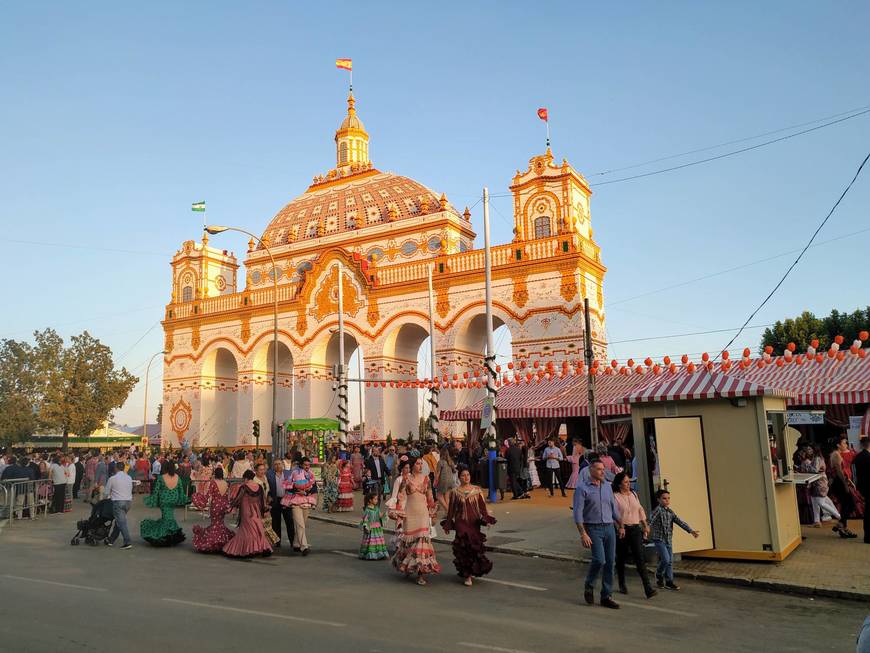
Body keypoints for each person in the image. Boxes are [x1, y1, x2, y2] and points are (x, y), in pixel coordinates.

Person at [573, 460, 622, 609]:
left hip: (609, 528)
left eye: (603, 469)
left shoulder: (607, 487)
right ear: (591, 470)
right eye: (599, 469)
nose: (602, 472)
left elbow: (613, 507)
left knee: (610, 561)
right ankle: (589, 584)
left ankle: (606, 595)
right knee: (600, 560)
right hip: (593, 528)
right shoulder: (582, 488)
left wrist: (621, 524)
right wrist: (583, 534)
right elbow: (578, 512)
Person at [441, 466, 497, 586]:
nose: (466, 477)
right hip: (461, 523)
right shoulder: (455, 492)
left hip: (474, 523)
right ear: (459, 477)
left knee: (474, 548)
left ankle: (473, 571)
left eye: (468, 475)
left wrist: (486, 520)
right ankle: (467, 575)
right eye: (463, 475)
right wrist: (448, 524)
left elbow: (482, 508)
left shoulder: (477, 490)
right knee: (463, 547)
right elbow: (451, 510)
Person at [392, 457, 441, 585]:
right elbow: (401, 497)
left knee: (422, 543)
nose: (420, 466)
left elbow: (430, 497)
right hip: (410, 514)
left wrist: (433, 513)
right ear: (412, 465)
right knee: (409, 543)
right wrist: (399, 516)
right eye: (417, 464)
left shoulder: (426, 478)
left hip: (423, 514)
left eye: (421, 463)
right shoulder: (406, 479)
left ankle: (421, 573)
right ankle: (408, 566)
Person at [612, 472, 656, 598]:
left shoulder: (633, 494)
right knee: (621, 557)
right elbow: (614, 514)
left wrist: (645, 524)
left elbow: (640, 509)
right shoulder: (615, 497)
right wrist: (619, 527)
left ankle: (648, 588)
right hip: (623, 530)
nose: (628, 484)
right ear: (619, 484)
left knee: (640, 558)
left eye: (628, 481)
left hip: (635, 529)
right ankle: (621, 582)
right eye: (625, 482)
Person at [648, 489, 699, 590]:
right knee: (666, 559)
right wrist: (645, 530)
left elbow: (680, 522)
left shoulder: (670, 512)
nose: (667, 500)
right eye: (664, 498)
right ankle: (658, 574)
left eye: (668, 498)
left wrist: (691, 531)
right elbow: (650, 521)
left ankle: (669, 581)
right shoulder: (658, 510)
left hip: (668, 540)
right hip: (659, 539)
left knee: (670, 561)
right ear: (658, 500)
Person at [223, 469, 272, 558]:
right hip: (256, 511)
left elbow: (237, 499)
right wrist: (265, 510)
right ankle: (263, 547)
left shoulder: (244, 487)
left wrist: (230, 508)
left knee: (246, 531)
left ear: (245, 478)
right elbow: (263, 501)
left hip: (246, 512)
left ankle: (246, 550)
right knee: (258, 530)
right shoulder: (259, 487)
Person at [140, 460, 189, 546]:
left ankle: (163, 536)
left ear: (165, 468)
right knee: (169, 516)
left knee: (166, 517)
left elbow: (156, 491)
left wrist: (151, 500)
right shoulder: (177, 477)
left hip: (164, 500)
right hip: (174, 500)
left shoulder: (161, 477)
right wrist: (184, 499)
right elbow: (181, 491)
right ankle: (171, 534)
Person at [191, 467, 235, 553]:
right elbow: (227, 496)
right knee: (221, 524)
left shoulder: (213, 483)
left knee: (215, 524)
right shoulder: (226, 483)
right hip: (224, 505)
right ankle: (222, 541)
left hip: (215, 506)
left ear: (215, 474)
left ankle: (213, 542)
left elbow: (208, 495)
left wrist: (199, 499)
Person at [799, 449, 842, 528]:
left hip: (819, 482)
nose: (808, 451)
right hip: (815, 483)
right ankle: (817, 521)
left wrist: (805, 464)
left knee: (820, 502)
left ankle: (838, 516)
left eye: (810, 449)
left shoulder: (818, 459)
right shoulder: (817, 458)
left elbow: (814, 470)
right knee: (815, 502)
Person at [285, 457, 317, 555]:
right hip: (295, 501)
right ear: (301, 465)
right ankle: (304, 547)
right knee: (300, 524)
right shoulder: (294, 473)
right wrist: (298, 490)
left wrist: (307, 493)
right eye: (305, 465)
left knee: (302, 524)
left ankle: (296, 543)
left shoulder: (311, 474)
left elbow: (314, 488)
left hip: (307, 501)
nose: (307, 467)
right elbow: (287, 486)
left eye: (308, 465)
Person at [829, 436, 858, 538]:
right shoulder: (835, 454)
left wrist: (849, 481)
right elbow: (839, 472)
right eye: (844, 443)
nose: (846, 445)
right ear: (838, 445)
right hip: (839, 482)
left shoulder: (837, 454)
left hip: (841, 481)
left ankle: (843, 528)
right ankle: (840, 524)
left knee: (846, 504)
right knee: (851, 504)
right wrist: (846, 484)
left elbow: (844, 471)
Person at [103, 464, 134, 549]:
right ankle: (111, 540)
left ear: (116, 468)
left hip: (118, 502)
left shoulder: (112, 478)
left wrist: (104, 499)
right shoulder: (129, 477)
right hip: (128, 502)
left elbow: (106, 493)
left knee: (121, 523)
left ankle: (127, 542)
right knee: (119, 521)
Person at [386, 457, 411, 556]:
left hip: (409, 505)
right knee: (400, 527)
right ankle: (398, 546)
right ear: (402, 468)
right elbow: (394, 495)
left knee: (409, 527)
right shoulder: (399, 480)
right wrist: (393, 508)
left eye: (409, 468)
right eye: (405, 468)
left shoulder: (411, 478)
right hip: (401, 505)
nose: (407, 470)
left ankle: (408, 546)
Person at [266, 459, 294, 547]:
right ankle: (277, 542)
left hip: (286, 500)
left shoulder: (288, 473)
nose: (277, 466)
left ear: (283, 464)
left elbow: (293, 486)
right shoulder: (269, 474)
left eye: (279, 464)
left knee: (289, 521)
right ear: (273, 466)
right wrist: (269, 496)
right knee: (275, 522)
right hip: (275, 501)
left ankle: (293, 541)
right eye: (275, 464)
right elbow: (267, 486)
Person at [253, 463, 280, 547]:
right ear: (256, 471)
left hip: (267, 503)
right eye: (260, 470)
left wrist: (269, 497)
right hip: (259, 505)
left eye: (263, 469)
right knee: (260, 526)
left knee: (267, 525)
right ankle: (261, 545)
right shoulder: (254, 480)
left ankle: (267, 544)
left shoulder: (265, 478)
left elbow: (268, 490)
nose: (262, 471)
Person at [359, 492, 389, 560]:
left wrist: (385, 514)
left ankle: (380, 554)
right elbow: (365, 519)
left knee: (378, 542)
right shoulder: (367, 510)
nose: (376, 500)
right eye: (375, 499)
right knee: (371, 541)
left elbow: (380, 516)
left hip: (377, 528)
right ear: (370, 500)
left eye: (377, 499)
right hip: (371, 528)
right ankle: (371, 554)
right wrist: (366, 526)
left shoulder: (377, 508)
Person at [854, 436, 870, 545]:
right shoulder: (868, 457)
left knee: (867, 511)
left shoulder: (858, 457)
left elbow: (855, 474)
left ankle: (867, 536)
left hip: (863, 487)